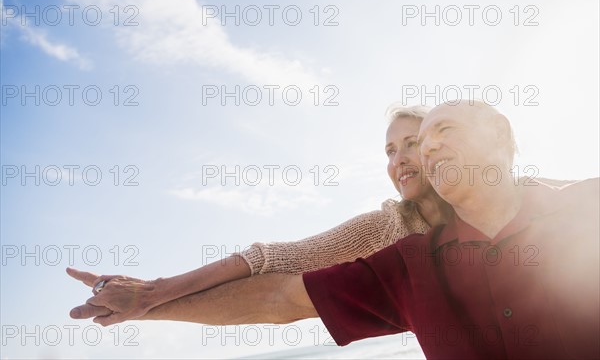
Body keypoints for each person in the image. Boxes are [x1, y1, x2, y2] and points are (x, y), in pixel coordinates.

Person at [70, 101, 599, 359]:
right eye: (390, 151)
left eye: (421, 140)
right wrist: (151, 297)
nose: (411, 155)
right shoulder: (398, 249)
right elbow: (276, 274)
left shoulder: (576, 208)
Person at [68, 105, 455, 324]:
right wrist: (151, 296)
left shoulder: (493, 204)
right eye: (389, 150)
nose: (399, 159)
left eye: (412, 144)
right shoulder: (388, 226)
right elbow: (271, 263)